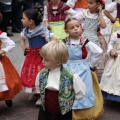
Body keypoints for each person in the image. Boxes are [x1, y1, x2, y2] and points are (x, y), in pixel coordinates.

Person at [63, 18, 104, 119]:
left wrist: (90, 64)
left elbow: (98, 51)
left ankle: (83, 113)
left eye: (77, 26)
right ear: (66, 30)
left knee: (83, 89)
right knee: (69, 89)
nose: (76, 29)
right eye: (72, 28)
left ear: (81, 27)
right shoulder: (64, 42)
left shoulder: (85, 42)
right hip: (67, 68)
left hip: (82, 69)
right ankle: (70, 112)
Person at [35, 40, 86, 120]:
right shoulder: (42, 74)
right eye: (42, 58)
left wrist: (68, 100)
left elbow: (80, 92)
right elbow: (38, 86)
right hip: (45, 110)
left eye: (46, 60)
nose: (43, 62)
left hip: (63, 113)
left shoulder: (71, 76)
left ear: (58, 62)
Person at [20, 9, 57, 105]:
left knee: (41, 73)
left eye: (23, 18)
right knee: (31, 73)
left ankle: (42, 95)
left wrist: (46, 49)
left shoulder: (42, 30)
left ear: (31, 21)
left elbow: (54, 38)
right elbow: (22, 39)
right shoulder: (26, 31)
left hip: (41, 57)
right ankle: (35, 92)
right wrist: (24, 48)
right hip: (31, 56)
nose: (21, 20)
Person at [0, 29, 22, 107]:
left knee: (8, 81)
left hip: (1, 62)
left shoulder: (0, 33)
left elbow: (11, 44)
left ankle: (7, 97)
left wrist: (4, 50)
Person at [100, 29, 120, 101]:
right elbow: (110, 44)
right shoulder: (116, 34)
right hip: (117, 58)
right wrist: (111, 50)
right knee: (115, 76)